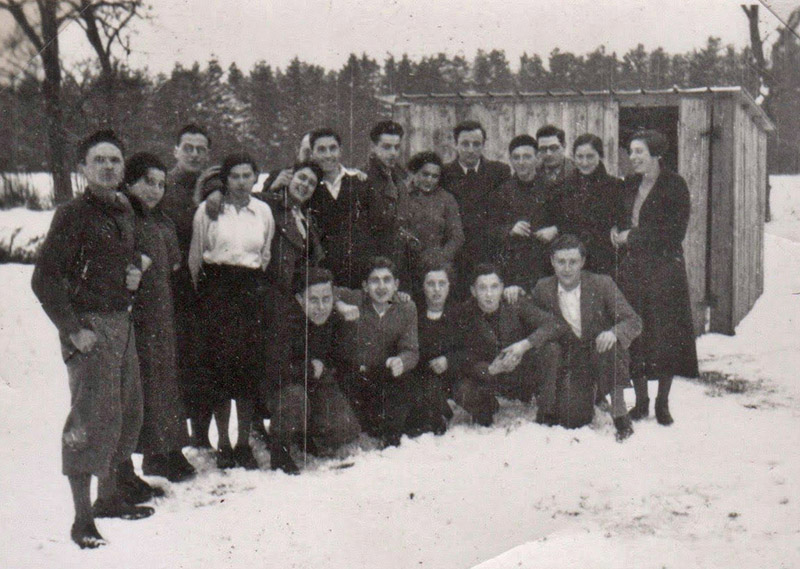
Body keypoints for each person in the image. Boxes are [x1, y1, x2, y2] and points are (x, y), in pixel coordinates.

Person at [32, 130, 154, 549]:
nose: (108, 167)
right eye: (98, 160)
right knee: (90, 420)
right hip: (89, 327)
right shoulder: (72, 214)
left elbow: (121, 257)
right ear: (83, 167)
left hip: (121, 323)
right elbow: (45, 278)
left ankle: (109, 499)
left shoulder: (122, 208)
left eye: (115, 160)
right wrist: (73, 328)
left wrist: (134, 272)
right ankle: (82, 519)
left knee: (125, 412)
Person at [189, 152, 275, 469]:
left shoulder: (263, 211)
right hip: (217, 290)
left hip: (250, 290)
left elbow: (265, 252)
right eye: (235, 176)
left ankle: (242, 444)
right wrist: (204, 300)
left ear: (256, 178)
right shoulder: (208, 210)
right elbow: (196, 257)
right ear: (225, 180)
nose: (241, 182)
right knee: (221, 369)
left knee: (248, 368)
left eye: (247, 175)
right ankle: (223, 442)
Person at [611, 130, 699, 425]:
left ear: (656, 155)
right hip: (633, 271)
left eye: (639, 152)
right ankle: (641, 401)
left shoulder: (675, 186)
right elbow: (621, 219)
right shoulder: (629, 185)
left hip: (664, 271)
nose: (632, 157)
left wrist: (630, 237)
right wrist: (615, 233)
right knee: (635, 333)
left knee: (664, 336)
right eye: (631, 152)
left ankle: (662, 402)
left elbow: (673, 232)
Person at [122, 152, 196, 482]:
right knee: (146, 386)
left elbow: (175, 266)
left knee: (168, 382)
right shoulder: (125, 218)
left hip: (164, 313)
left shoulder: (163, 222)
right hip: (135, 315)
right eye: (147, 182)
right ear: (130, 182)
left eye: (160, 184)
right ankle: (151, 453)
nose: (154, 190)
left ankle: (170, 448)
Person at [531, 235, 641, 440]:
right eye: (561, 262)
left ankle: (620, 415)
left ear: (582, 262)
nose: (567, 268)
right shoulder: (543, 288)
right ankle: (554, 407)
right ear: (552, 261)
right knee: (572, 420)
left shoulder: (602, 284)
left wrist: (613, 332)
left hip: (598, 354)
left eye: (573, 262)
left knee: (611, 346)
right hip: (570, 361)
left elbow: (633, 321)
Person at [264, 267, 361, 474]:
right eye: (314, 300)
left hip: (316, 383)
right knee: (295, 398)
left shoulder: (332, 318)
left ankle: (306, 434)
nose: (321, 307)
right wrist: (307, 369)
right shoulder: (285, 321)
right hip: (282, 388)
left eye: (326, 299)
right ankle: (279, 450)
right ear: (300, 299)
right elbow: (275, 369)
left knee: (345, 429)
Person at [157, 124, 215, 448]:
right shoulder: (161, 185)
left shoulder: (212, 185)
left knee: (204, 360)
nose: (194, 154)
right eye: (188, 147)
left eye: (200, 149)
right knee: (174, 362)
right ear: (175, 150)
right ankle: (171, 438)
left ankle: (202, 435)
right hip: (173, 285)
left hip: (207, 285)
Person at [458, 264, 565, 426]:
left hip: (520, 373)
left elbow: (555, 324)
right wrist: (492, 369)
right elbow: (462, 357)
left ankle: (546, 412)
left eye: (494, 287)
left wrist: (523, 345)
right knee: (463, 390)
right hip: (490, 377)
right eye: (482, 288)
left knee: (551, 349)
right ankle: (486, 408)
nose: (489, 294)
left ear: (502, 288)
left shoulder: (513, 303)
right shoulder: (464, 314)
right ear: (473, 291)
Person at [337, 257, 419, 447]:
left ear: (396, 284)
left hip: (383, 376)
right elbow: (328, 291)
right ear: (365, 286)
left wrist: (401, 361)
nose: (381, 286)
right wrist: (340, 306)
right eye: (375, 280)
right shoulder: (355, 299)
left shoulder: (407, 308)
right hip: (354, 377)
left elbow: (411, 350)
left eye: (387, 280)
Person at [441, 120, 511, 298]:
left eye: (476, 144)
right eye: (465, 144)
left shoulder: (499, 172)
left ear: (484, 145)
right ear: (456, 145)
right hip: (458, 256)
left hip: (490, 253)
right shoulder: (444, 174)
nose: (471, 149)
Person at [306, 127, 375, 288]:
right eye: (321, 150)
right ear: (312, 153)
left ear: (340, 150)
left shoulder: (360, 182)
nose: (328, 155)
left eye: (333, 148)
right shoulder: (308, 188)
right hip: (324, 277)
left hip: (359, 274)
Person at [554, 133, 624, 276]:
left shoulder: (616, 187)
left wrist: (617, 228)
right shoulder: (562, 187)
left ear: (600, 156)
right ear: (574, 157)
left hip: (604, 263)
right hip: (572, 263)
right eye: (580, 157)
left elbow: (623, 220)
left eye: (590, 156)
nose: (584, 162)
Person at [496, 134, 555, 293]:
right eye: (516, 157)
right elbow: (491, 228)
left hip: (545, 266)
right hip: (514, 269)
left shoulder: (551, 188)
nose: (521, 162)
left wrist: (555, 230)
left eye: (527, 157)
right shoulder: (503, 192)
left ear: (537, 158)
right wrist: (510, 230)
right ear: (511, 160)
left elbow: (566, 221)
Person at [403, 151, 464, 300]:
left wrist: (441, 258)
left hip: (439, 266)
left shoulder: (446, 199)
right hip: (408, 266)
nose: (429, 180)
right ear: (415, 173)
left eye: (435, 176)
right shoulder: (403, 195)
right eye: (425, 174)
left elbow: (457, 236)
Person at [266, 160, 326, 295]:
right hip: (273, 291)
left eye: (311, 183)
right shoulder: (272, 206)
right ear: (289, 179)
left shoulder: (309, 221)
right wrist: (272, 188)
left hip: (298, 295)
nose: (305, 185)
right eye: (302, 178)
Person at [364, 120, 411, 266]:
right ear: (373, 147)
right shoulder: (364, 178)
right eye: (387, 147)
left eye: (396, 147)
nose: (393, 153)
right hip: (377, 258)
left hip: (400, 255)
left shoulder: (400, 177)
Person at [533, 124, 577, 191]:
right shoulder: (533, 172)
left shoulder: (576, 171)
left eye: (553, 148)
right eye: (543, 148)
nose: (548, 154)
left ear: (564, 146)